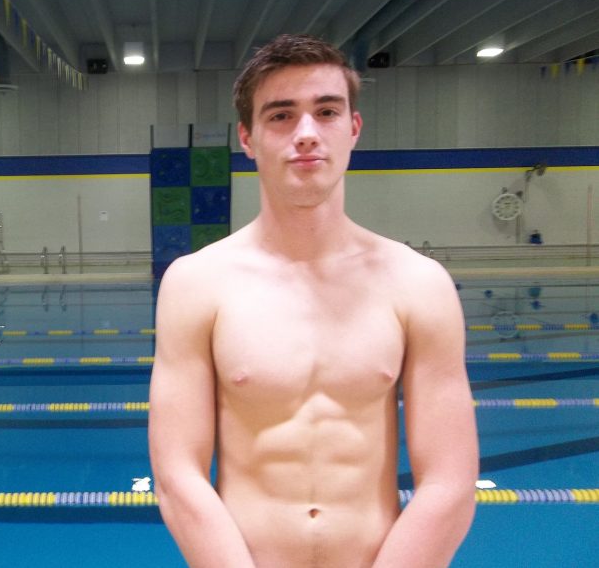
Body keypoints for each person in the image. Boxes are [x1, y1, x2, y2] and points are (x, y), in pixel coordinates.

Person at [148, 34, 478, 567]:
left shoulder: (418, 283)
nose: (306, 134)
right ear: (248, 138)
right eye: (281, 116)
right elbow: (177, 476)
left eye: (325, 111)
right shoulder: (196, 284)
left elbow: (450, 482)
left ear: (353, 129)